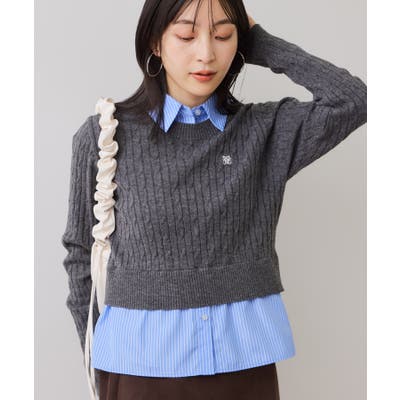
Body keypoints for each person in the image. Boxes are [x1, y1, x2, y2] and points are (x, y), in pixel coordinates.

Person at [61, 0, 367, 399]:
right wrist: (100, 354)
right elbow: (80, 254)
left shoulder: (265, 131)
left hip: (244, 364)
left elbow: (354, 100)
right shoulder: (106, 136)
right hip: (138, 367)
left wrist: (262, 43)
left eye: (222, 35)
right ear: (155, 41)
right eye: (187, 35)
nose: (206, 53)